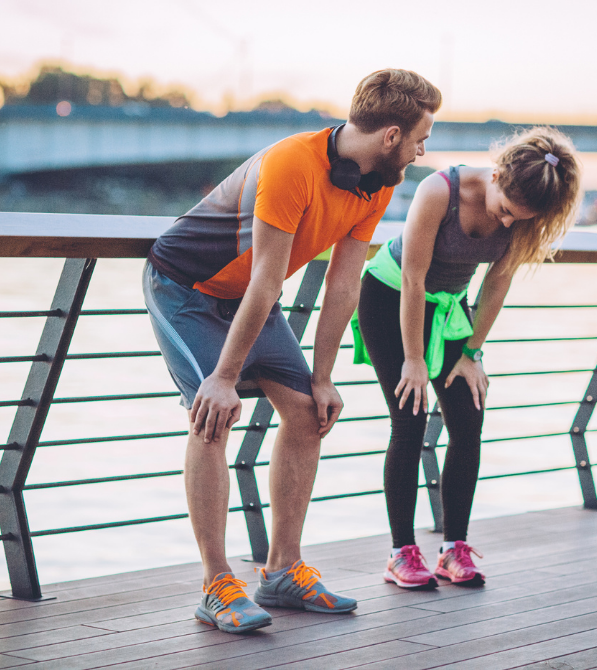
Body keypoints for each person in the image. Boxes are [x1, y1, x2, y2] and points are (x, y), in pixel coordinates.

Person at [143, 69, 441, 632]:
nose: (427, 146)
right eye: (423, 133)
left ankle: (281, 572)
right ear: (392, 135)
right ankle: (215, 584)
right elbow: (266, 282)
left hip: (247, 298)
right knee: (213, 415)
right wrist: (225, 378)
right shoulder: (291, 163)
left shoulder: (380, 181)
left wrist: (323, 376)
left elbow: (344, 284)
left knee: (308, 413)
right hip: (184, 288)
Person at [354, 127, 582, 589]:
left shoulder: (525, 216)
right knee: (410, 418)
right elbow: (414, 279)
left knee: (468, 418)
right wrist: (414, 359)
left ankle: (453, 550)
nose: (506, 224)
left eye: (518, 220)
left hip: (449, 308)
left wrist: (472, 353)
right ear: (496, 175)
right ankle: (401, 554)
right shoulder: (440, 190)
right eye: (503, 211)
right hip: (391, 297)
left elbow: (496, 283)